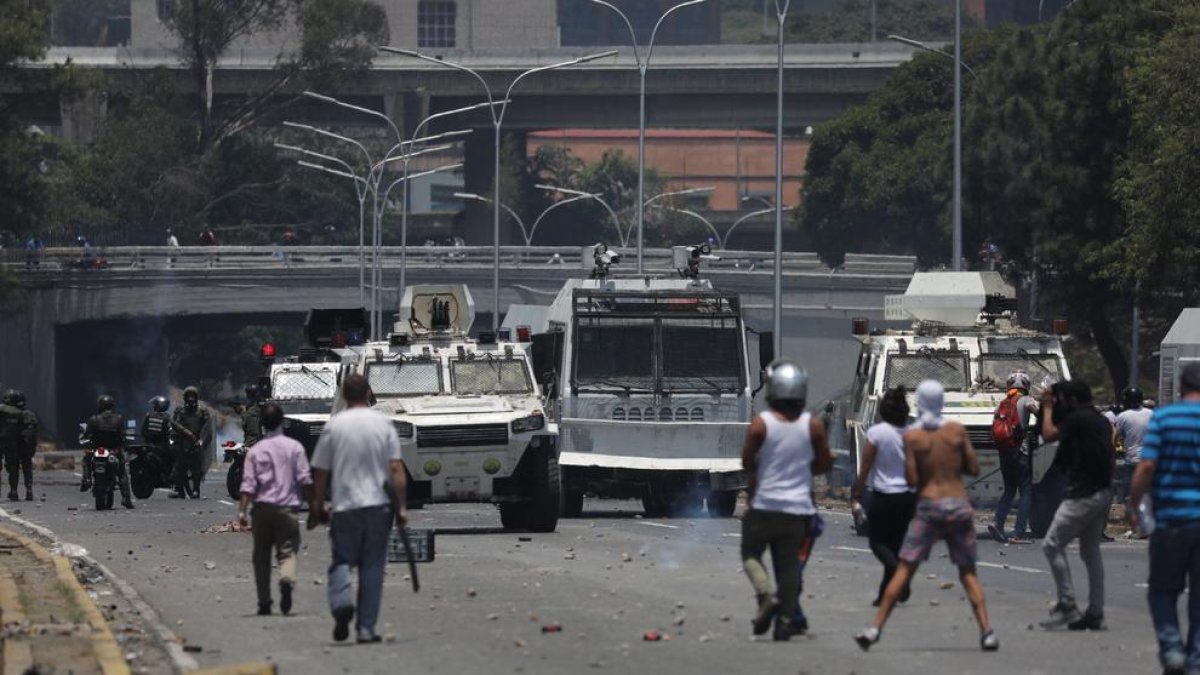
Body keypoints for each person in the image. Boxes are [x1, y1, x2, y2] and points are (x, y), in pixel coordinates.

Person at [854, 380, 998, 652]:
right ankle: (987, 631)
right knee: (968, 572)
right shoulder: (956, 431)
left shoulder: (913, 437)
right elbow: (973, 468)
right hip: (958, 504)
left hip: (929, 506)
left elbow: (911, 477)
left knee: (905, 567)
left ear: (918, 404)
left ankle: (875, 629)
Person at [309, 374, 407, 644]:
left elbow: (320, 471)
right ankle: (366, 628)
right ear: (368, 393)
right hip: (378, 506)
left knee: (342, 559)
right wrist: (401, 508)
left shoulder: (334, 426)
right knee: (372, 567)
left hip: (345, 506)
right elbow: (396, 469)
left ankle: (341, 603)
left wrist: (318, 503)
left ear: (344, 395)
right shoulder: (383, 424)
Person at [740, 360, 833, 642]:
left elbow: (747, 462)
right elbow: (823, 464)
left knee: (750, 554)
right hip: (797, 510)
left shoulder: (761, 424)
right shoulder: (813, 426)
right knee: (789, 566)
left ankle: (766, 594)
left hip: (764, 506)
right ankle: (783, 623)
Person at [1130, 362, 1200, 675]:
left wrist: (1134, 505)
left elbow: (1146, 466)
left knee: (1162, 590)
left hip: (1171, 519)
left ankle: (1172, 651)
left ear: (1181, 387)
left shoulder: (1164, 418)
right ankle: (1196, 661)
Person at [1038, 379, 1114, 631]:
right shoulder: (1100, 420)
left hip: (1083, 494)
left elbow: (1048, 434)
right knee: (1090, 552)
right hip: (1102, 492)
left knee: (1051, 544)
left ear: (1071, 400)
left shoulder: (1077, 419)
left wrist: (1047, 407)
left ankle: (1068, 604)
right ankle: (1095, 611)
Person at [239, 402, 312, 616]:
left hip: (261, 510)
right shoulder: (295, 448)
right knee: (287, 551)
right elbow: (305, 480)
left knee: (261, 557)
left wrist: (242, 512)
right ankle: (286, 579)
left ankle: (264, 602)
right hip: (287, 509)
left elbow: (248, 485)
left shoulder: (255, 451)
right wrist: (315, 506)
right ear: (282, 421)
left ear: (262, 423)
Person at [852, 386, 917, 606]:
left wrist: (857, 494)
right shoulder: (911, 435)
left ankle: (900, 576)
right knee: (894, 547)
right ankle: (884, 595)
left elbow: (866, 466)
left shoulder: (876, 433)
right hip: (906, 498)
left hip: (884, 497)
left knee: (877, 542)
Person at [989, 371, 1040, 544]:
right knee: (1026, 490)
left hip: (1004, 452)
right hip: (1020, 451)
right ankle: (1018, 532)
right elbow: (1040, 415)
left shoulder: (1001, 404)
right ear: (1026, 385)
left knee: (1009, 489)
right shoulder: (1026, 400)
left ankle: (998, 522)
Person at [82, 395, 135, 509]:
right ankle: (126, 498)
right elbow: (123, 435)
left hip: (98, 450)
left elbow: (87, 435)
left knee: (86, 461)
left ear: (100, 406)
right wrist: (124, 444)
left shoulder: (94, 419)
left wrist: (86, 443)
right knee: (122, 472)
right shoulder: (119, 419)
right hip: (114, 450)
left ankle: (86, 480)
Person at [171, 386, 211, 499]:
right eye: (188, 396)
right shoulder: (180, 410)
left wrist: (202, 440)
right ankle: (179, 490)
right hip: (182, 442)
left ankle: (196, 490)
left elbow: (207, 427)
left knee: (196, 469)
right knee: (178, 469)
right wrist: (185, 433)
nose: (190, 399)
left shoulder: (202, 411)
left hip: (196, 442)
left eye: (192, 396)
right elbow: (174, 424)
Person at [1116, 386, 1153, 505]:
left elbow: (1116, 436)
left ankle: (1129, 511)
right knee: (1148, 493)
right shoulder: (1151, 413)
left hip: (1131, 459)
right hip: (1149, 459)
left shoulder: (1123, 416)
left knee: (1128, 494)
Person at [0, 391, 27, 501]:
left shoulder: (1, 409)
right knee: (13, 467)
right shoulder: (20, 413)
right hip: (13, 442)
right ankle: (14, 491)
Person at [13, 391, 37, 501]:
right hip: (26, 446)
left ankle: (14, 490)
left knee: (14, 468)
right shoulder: (30, 414)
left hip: (15, 445)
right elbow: (34, 432)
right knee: (27, 468)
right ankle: (29, 489)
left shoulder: (10, 414)